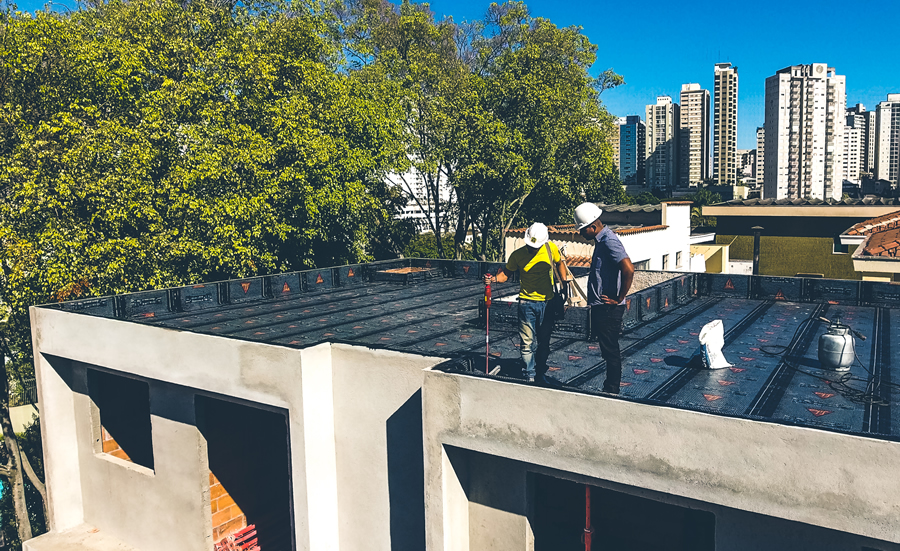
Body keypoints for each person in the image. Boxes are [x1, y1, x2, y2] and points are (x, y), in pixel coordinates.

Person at [484, 222, 569, 383]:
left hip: (547, 303)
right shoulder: (517, 255)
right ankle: (529, 375)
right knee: (527, 343)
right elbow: (504, 276)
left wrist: (564, 282)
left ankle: (540, 373)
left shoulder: (551, 248)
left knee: (544, 342)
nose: (532, 248)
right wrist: (493, 279)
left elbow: (560, 263)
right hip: (526, 304)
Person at [573, 202, 635, 394]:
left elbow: (628, 268)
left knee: (611, 351)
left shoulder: (609, 241)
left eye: (583, 230)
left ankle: (611, 389)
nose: (582, 234)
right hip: (603, 306)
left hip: (609, 308)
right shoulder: (603, 241)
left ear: (593, 226)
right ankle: (611, 387)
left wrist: (619, 297)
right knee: (608, 349)